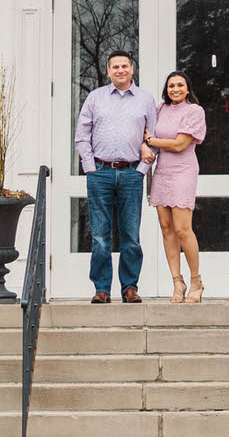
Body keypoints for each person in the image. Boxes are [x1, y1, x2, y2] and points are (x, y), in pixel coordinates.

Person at [74, 50, 157, 302]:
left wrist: (142, 170)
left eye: (124, 66)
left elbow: (153, 137)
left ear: (132, 69)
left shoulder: (145, 100)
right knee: (99, 236)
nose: (120, 70)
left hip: (132, 173)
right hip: (100, 173)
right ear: (108, 71)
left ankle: (130, 288)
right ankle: (101, 289)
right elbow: (82, 135)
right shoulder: (95, 98)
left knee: (131, 235)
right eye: (115, 67)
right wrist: (90, 167)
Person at [145, 71, 207, 303]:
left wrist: (152, 142)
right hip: (162, 172)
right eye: (171, 86)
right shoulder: (161, 109)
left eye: (180, 85)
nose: (175, 89)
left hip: (183, 171)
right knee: (166, 228)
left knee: (182, 229)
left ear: (188, 88)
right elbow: (146, 133)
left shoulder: (194, 111)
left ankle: (196, 281)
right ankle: (177, 282)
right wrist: (147, 144)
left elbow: (181, 144)